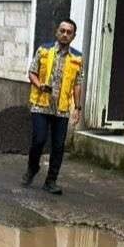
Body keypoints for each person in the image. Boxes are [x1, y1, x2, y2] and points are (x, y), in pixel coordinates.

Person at [22, 19, 84, 195]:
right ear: (57, 32)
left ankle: (51, 181)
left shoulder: (77, 58)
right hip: (41, 105)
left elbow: (78, 84)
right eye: (62, 31)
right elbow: (31, 72)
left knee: (58, 146)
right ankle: (32, 168)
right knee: (39, 140)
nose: (65, 34)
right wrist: (40, 85)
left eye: (69, 32)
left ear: (73, 36)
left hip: (62, 108)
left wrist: (77, 108)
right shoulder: (44, 50)